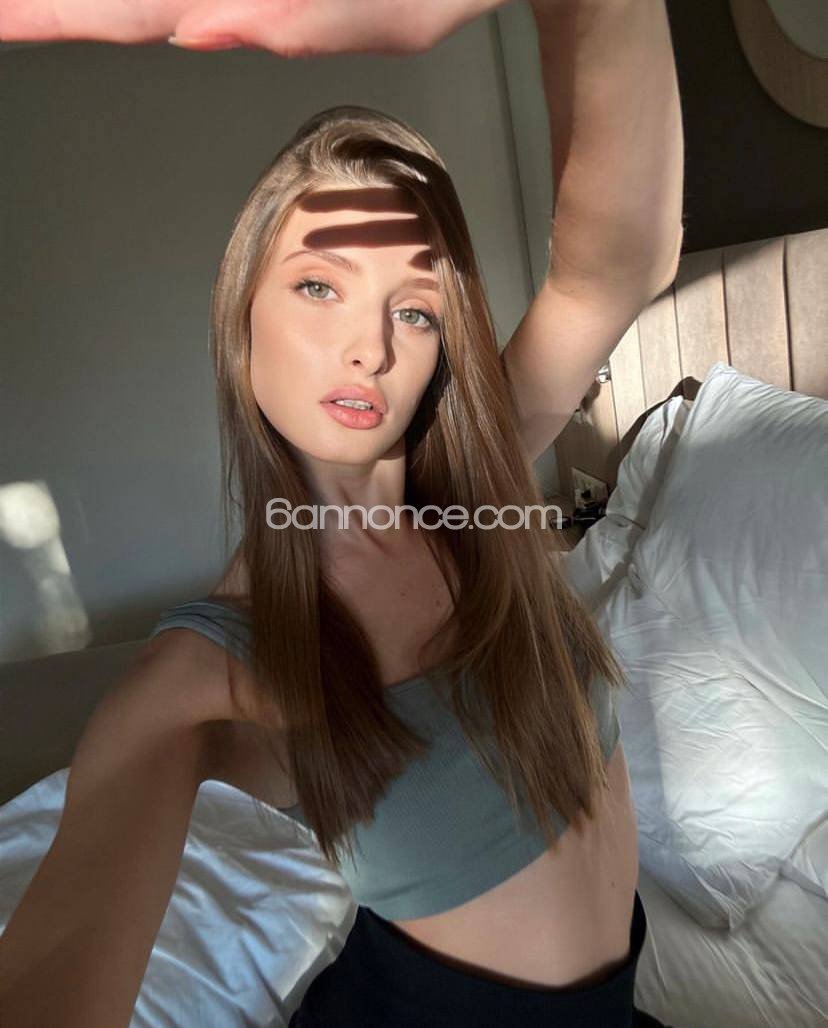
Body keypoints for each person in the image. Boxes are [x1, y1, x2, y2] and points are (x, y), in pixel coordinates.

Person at [0, 2, 684, 1025]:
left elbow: (623, 265)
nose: (371, 347)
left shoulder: (479, 487)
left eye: (414, 308)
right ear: (242, 320)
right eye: (320, 286)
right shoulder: (209, 663)